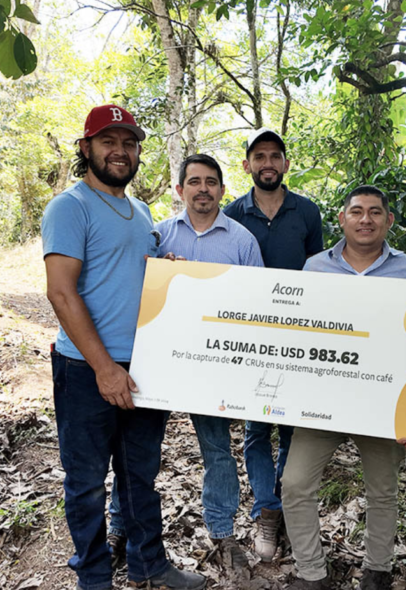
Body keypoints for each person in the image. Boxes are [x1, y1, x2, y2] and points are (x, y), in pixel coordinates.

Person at [41, 104, 207, 590]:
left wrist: (165, 267)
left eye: (129, 143)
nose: (120, 151)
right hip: (86, 369)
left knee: (140, 474)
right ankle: (93, 577)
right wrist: (104, 368)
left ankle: (148, 565)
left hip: (145, 364)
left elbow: (132, 275)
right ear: (85, 147)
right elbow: (61, 292)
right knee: (88, 481)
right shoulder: (69, 207)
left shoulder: (141, 211)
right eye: (108, 141)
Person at [108, 154, 263, 571]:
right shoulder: (156, 235)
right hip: (158, 361)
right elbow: (133, 292)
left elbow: (257, 304)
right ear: (180, 190)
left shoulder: (242, 241)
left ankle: (223, 533)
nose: (203, 189)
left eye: (211, 182)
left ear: (222, 190)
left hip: (213, 367)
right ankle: (119, 529)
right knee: (139, 451)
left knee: (217, 451)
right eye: (194, 181)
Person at [281, 186, 406, 590]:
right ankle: (312, 573)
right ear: (342, 218)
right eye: (358, 211)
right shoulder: (315, 268)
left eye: (375, 212)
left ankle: (377, 570)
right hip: (322, 400)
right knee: (294, 483)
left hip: (382, 403)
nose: (366, 219)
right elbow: (298, 333)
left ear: (388, 221)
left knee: (383, 489)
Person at [224, 128, 323, 561]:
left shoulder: (308, 212)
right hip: (248, 338)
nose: (267, 163)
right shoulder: (231, 213)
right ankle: (267, 508)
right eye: (258, 156)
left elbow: (322, 272)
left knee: (293, 428)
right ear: (247, 165)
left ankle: (283, 503)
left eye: (274, 156)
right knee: (256, 429)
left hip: (297, 337)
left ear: (285, 163)